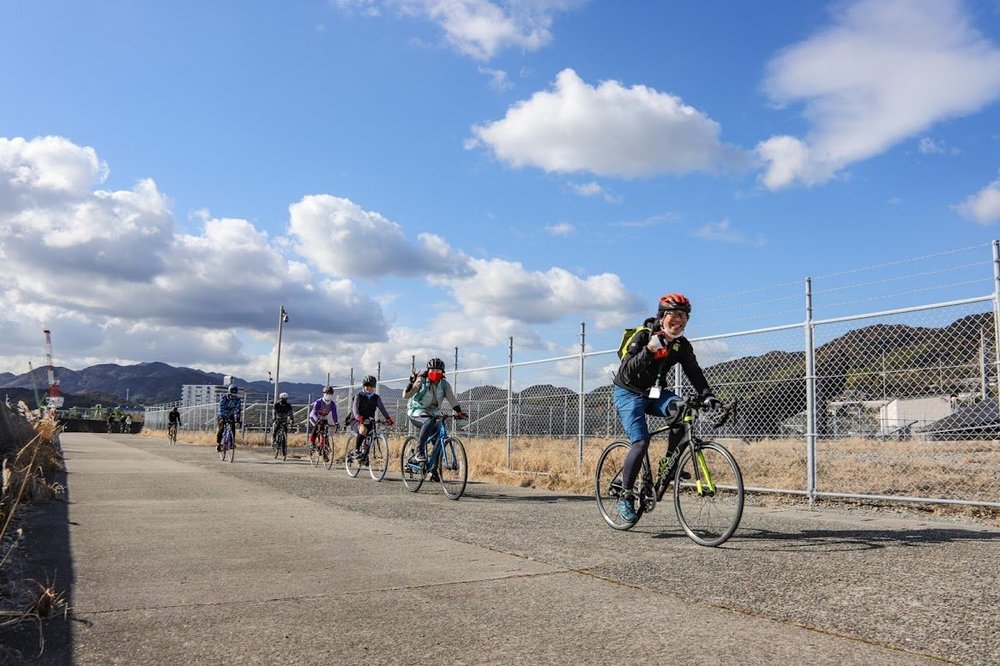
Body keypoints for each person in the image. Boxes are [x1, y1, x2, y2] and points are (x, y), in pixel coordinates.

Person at [612, 293, 721, 522]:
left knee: (683, 411)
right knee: (641, 441)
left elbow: (694, 372)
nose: (679, 321)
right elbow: (626, 371)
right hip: (628, 392)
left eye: (684, 316)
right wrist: (648, 351)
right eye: (675, 315)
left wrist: (708, 396)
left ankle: (668, 466)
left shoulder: (681, 345)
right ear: (662, 316)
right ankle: (626, 494)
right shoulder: (644, 336)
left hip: (655, 393)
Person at [404, 358, 467, 468]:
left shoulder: (444, 384)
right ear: (428, 371)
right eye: (432, 370)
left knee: (439, 438)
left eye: (438, 371)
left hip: (434, 412)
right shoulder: (421, 380)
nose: (435, 373)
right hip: (417, 411)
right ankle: (419, 452)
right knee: (429, 421)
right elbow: (406, 396)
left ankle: (434, 470)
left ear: (443, 373)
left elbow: (452, 398)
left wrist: (459, 412)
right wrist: (411, 383)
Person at [348, 376, 394, 463]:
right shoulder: (359, 396)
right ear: (363, 386)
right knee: (363, 430)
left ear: (374, 387)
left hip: (369, 420)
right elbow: (355, 409)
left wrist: (388, 418)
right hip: (356, 420)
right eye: (367, 386)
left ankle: (365, 456)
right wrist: (358, 417)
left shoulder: (376, 398)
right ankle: (357, 450)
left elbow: (382, 409)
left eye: (371, 386)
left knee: (371, 435)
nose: (369, 388)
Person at [308, 386, 339, 460]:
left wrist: (336, 423)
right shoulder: (318, 402)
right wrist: (317, 420)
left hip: (323, 417)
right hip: (314, 417)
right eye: (327, 393)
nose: (329, 395)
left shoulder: (332, 404)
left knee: (325, 434)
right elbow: (314, 412)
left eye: (330, 393)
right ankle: (312, 443)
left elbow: (334, 414)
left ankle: (324, 451)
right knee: (316, 428)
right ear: (323, 393)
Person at [216, 384, 243, 451]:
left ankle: (231, 443)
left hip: (230, 416)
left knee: (233, 429)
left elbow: (238, 409)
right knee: (221, 429)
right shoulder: (224, 398)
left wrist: (237, 418)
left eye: (235, 394)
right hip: (221, 416)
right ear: (229, 392)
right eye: (232, 394)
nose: (233, 396)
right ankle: (218, 444)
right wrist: (221, 417)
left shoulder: (237, 400)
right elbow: (220, 408)